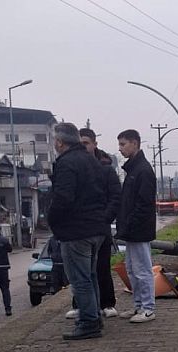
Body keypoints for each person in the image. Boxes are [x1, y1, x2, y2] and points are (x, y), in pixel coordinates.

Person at [47, 123, 107, 340]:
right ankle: (94, 317)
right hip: (96, 228)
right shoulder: (91, 160)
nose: (54, 143)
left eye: (54, 140)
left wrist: (50, 219)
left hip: (76, 231)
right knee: (90, 277)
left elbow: (63, 198)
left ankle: (89, 322)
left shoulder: (66, 163)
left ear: (60, 142)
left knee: (80, 280)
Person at [64, 128, 121, 320]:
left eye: (86, 143)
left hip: (100, 226)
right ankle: (81, 305)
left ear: (95, 144)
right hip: (79, 227)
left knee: (101, 266)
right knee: (80, 270)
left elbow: (115, 197)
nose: (83, 146)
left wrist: (105, 218)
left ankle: (107, 303)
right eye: (80, 143)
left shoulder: (105, 168)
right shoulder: (73, 165)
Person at [115, 129, 157, 323]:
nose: (120, 148)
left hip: (138, 230)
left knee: (142, 270)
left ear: (134, 143)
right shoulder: (134, 169)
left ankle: (148, 308)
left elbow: (143, 204)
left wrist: (130, 223)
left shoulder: (143, 171)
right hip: (132, 229)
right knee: (132, 269)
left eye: (123, 144)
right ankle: (139, 305)